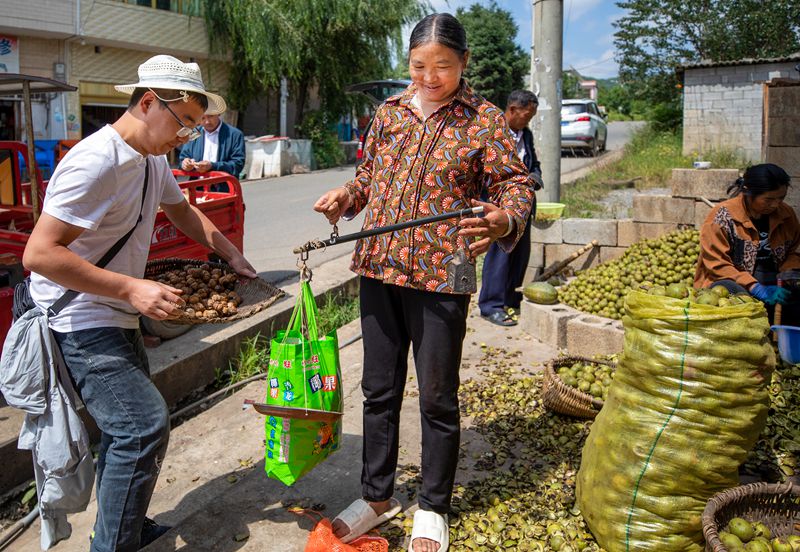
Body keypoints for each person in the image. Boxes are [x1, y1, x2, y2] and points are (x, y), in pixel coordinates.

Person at [313, 13, 534, 552]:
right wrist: (348, 196)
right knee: (377, 390)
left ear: (463, 64)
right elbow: (371, 178)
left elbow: (516, 185)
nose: (430, 76)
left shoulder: (483, 119)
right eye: (419, 66)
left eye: (443, 66)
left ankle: (433, 506)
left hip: (446, 271)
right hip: (380, 264)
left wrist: (504, 218)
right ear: (407, 64)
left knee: (437, 394)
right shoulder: (388, 113)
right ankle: (377, 495)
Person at [22, 54, 257, 552]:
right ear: (149, 103)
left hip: (116, 311)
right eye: (184, 123)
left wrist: (232, 254)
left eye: (194, 127)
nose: (186, 137)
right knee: (140, 426)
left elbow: (183, 211)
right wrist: (131, 288)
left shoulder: (150, 159)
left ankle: (122, 524)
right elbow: (39, 254)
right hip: (81, 316)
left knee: (124, 430)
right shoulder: (95, 161)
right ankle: (113, 543)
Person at [695, 163, 799, 326]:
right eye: (769, 199)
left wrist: (787, 274)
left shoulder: (786, 215)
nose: (776, 204)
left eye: (781, 198)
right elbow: (717, 264)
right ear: (749, 194)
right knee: (733, 294)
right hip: (732, 280)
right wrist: (755, 287)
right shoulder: (722, 217)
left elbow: (794, 250)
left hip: (774, 280)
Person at [478, 90, 543, 326]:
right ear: (513, 110)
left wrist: (535, 176)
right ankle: (491, 305)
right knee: (500, 255)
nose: (528, 120)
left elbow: (533, 163)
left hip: (523, 207)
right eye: (527, 115)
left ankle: (511, 300)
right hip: (499, 206)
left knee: (519, 254)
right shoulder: (494, 133)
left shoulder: (525, 135)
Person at [179, 111, 245, 191]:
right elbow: (183, 158)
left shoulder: (234, 135)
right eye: (202, 118)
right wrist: (185, 164)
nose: (207, 121)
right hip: (197, 189)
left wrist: (212, 166)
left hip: (224, 189)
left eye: (210, 116)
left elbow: (237, 165)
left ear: (218, 114)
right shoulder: (194, 134)